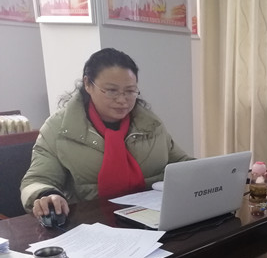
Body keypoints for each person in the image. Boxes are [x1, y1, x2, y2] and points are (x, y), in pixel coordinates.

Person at [21, 47, 193, 219]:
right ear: (88, 84)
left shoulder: (151, 125)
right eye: (111, 91)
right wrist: (45, 194)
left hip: (151, 219)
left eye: (130, 91)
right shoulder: (59, 129)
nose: (122, 100)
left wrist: (204, 176)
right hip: (87, 222)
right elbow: (36, 180)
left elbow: (182, 165)